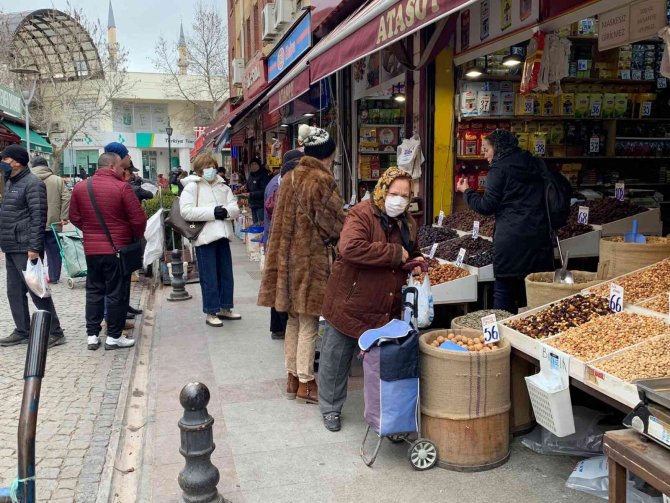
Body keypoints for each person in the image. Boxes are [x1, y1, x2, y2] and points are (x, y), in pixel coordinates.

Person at [318, 167, 422, 432]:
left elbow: (409, 253)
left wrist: (417, 262)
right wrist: (393, 253)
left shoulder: (408, 223)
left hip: (384, 306)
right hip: (349, 301)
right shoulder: (361, 214)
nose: (398, 199)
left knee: (381, 363)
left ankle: (385, 413)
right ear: (382, 190)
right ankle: (330, 408)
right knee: (336, 358)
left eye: (404, 195)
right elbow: (349, 248)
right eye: (394, 193)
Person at [258, 125, 346, 405]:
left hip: (287, 259)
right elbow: (334, 224)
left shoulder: (291, 176)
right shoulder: (321, 179)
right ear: (328, 154)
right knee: (309, 322)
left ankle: (292, 377)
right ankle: (307, 383)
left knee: (293, 321)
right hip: (310, 261)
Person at [456, 129, 553, 313]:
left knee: (503, 290)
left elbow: (486, 206)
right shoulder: (533, 162)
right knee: (532, 291)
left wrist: (467, 191)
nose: (484, 154)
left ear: (497, 147)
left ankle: (502, 335)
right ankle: (528, 335)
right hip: (539, 238)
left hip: (511, 240)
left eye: (486, 149)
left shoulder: (499, 169)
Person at [69, 152, 147, 350]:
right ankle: (113, 337)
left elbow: (74, 217)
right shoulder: (122, 187)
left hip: (92, 249)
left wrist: (91, 231)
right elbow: (138, 219)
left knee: (94, 290)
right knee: (116, 292)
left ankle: (92, 336)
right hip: (117, 249)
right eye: (121, 167)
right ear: (113, 166)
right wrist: (133, 237)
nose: (123, 171)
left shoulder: (80, 187)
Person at [0, 145, 66, 348]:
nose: (2, 163)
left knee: (37, 290)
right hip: (11, 245)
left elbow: (38, 217)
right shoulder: (10, 182)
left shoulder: (33, 183)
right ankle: (22, 330)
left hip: (25, 246)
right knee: (14, 292)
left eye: (5, 159)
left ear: (17, 162)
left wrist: (34, 247)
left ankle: (55, 332)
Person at [180, 153, 242, 327]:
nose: (211, 169)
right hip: (204, 237)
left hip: (222, 235)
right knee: (209, 277)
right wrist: (213, 212)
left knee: (226, 274)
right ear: (200, 169)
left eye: (213, 165)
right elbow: (186, 211)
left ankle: (225, 307)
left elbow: (234, 207)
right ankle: (211, 310)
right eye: (207, 166)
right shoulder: (192, 187)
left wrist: (226, 212)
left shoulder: (223, 186)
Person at [263, 149, 304, 341]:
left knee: (278, 287)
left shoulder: (277, 183)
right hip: (279, 243)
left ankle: (278, 328)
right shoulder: (279, 186)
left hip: (276, 241)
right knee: (281, 288)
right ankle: (283, 328)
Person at [31, 156, 71, 284]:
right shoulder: (57, 180)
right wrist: (63, 217)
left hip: (32, 222)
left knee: (35, 250)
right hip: (54, 222)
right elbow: (67, 198)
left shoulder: (27, 179)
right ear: (46, 165)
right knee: (54, 250)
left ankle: (37, 276)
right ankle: (54, 277)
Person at [245, 158, 271, 225]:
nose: (253, 166)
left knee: (261, 225)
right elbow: (249, 187)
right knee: (255, 225)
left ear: (259, 165)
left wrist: (251, 194)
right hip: (253, 205)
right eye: (252, 164)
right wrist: (245, 189)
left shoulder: (263, 175)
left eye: (255, 164)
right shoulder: (250, 175)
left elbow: (265, 191)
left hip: (260, 205)